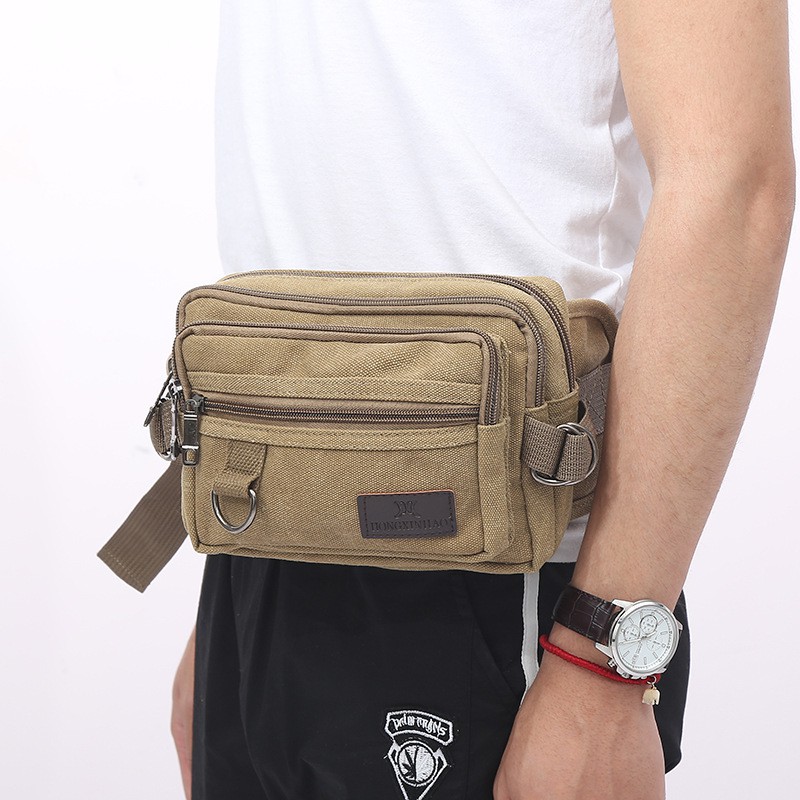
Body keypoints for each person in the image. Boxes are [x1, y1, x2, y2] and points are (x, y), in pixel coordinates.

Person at [169, 2, 795, 799]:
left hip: (509, 565)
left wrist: (603, 657)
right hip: (265, 540)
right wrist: (237, 600)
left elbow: (735, 182)